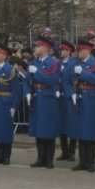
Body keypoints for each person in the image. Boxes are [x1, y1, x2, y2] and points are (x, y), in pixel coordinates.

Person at [70, 40, 95, 173]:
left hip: (91, 100)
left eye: (80, 50)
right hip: (79, 99)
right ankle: (82, 162)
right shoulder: (76, 63)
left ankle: (90, 162)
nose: (78, 53)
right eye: (77, 50)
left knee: (90, 132)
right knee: (80, 132)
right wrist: (71, 93)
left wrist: (83, 74)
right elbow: (68, 80)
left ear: (87, 51)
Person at [26, 37, 61, 169]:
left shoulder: (53, 63)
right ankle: (40, 158)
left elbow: (52, 80)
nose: (35, 49)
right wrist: (27, 92)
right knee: (38, 129)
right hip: (37, 97)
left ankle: (49, 160)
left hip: (48, 98)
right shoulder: (34, 62)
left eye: (37, 47)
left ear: (45, 48)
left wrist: (38, 72)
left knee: (48, 130)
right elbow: (26, 80)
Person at [58, 41, 78, 161]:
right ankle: (64, 151)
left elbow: (74, 81)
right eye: (61, 50)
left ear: (69, 51)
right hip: (59, 97)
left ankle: (71, 152)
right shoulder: (58, 63)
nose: (61, 52)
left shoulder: (73, 64)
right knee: (61, 126)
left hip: (70, 98)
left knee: (72, 125)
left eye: (64, 50)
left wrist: (72, 93)